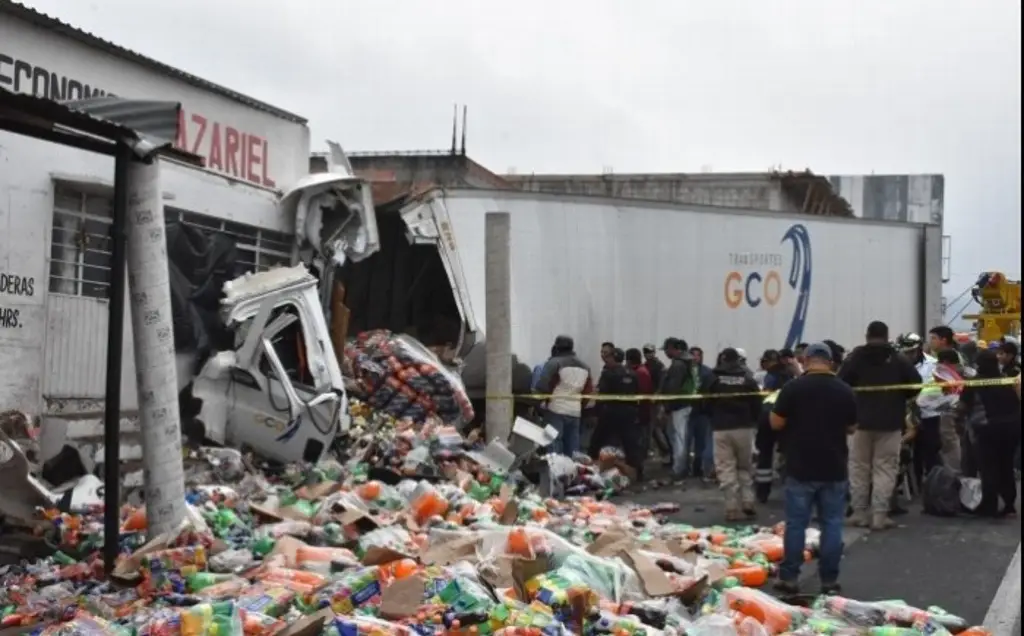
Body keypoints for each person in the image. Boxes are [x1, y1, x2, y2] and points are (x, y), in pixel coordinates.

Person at [770, 343, 857, 595]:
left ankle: (789, 578)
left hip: (800, 465)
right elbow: (852, 427)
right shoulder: (844, 390)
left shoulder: (793, 388)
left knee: (797, 523)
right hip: (834, 466)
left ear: (806, 360)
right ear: (830, 362)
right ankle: (829, 580)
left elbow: (776, 422)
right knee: (832, 524)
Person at [839, 321, 922, 530]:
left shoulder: (855, 357)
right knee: (885, 468)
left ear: (867, 335)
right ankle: (879, 515)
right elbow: (915, 384)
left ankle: (858, 512)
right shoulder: (898, 358)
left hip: (859, 422)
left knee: (859, 467)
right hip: (890, 422)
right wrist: (899, 398)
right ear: (886, 336)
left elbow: (841, 384)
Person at [957, 350, 1021, 518]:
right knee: (1006, 466)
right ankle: (1009, 505)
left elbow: (962, 407)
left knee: (988, 468)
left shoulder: (974, 383)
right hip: (1011, 429)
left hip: (987, 429)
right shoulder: (1006, 380)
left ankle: (989, 506)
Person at [706, 347, 762, 520]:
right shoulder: (747, 378)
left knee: (726, 467)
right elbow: (756, 402)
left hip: (721, 428)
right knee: (744, 466)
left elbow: (704, 401)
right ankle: (748, 501)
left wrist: (713, 417)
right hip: (744, 428)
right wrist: (753, 421)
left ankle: (731, 507)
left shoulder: (713, 378)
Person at [535, 335, 593, 456]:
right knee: (573, 447)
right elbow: (588, 391)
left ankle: (556, 472)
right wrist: (580, 406)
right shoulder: (585, 366)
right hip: (575, 411)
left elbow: (542, 385)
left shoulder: (554, 363)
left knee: (554, 444)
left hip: (555, 409)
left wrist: (542, 403)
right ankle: (573, 473)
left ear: (556, 347)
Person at [897, 334, 944, 482]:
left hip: (929, 415)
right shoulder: (898, 363)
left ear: (918, 349)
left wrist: (920, 399)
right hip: (905, 416)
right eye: (905, 352)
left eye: (911, 352)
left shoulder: (933, 364)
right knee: (908, 453)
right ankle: (914, 483)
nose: (908, 355)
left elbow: (940, 390)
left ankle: (934, 485)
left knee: (931, 451)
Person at [590, 349, 643, 474]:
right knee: (630, 443)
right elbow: (637, 393)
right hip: (629, 413)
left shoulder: (609, 374)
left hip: (611, 412)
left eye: (608, 357)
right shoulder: (632, 373)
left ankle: (595, 468)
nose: (606, 360)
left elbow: (602, 395)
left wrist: (596, 412)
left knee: (598, 441)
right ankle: (637, 470)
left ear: (613, 358)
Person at [755, 350, 797, 502]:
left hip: (767, 412)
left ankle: (762, 492)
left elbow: (765, 394)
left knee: (765, 453)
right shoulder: (790, 376)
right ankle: (789, 490)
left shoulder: (770, 376)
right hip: (785, 414)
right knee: (788, 453)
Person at [927, 326, 968, 472]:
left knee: (950, 438)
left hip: (950, 405)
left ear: (943, 340)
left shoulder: (952, 358)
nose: (930, 342)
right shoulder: (938, 358)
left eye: (933, 338)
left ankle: (955, 475)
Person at [659, 337, 698, 481]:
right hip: (686, 404)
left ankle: (679, 469)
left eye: (667, 350)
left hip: (679, 405)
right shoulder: (688, 362)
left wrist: (666, 406)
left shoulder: (678, 365)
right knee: (680, 437)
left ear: (673, 349)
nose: (666, 353)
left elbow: (672, 387)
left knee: (679, 438)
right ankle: (682, 466)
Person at [685, 346, 716, 479]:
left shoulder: (708, 372)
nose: (696, 358)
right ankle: (685, 468)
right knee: (686, 441)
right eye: (693, 355)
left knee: (701, 442)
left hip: (702, 412)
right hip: (687, 410)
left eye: (698, 355)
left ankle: (698, 468)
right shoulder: (684, 371)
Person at [626, 347, 655, 474]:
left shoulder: (640, 373)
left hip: (639, 414)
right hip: (640, 413)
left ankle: (637, 469)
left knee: (638, 443)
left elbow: (642, 394)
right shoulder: (641, 371)